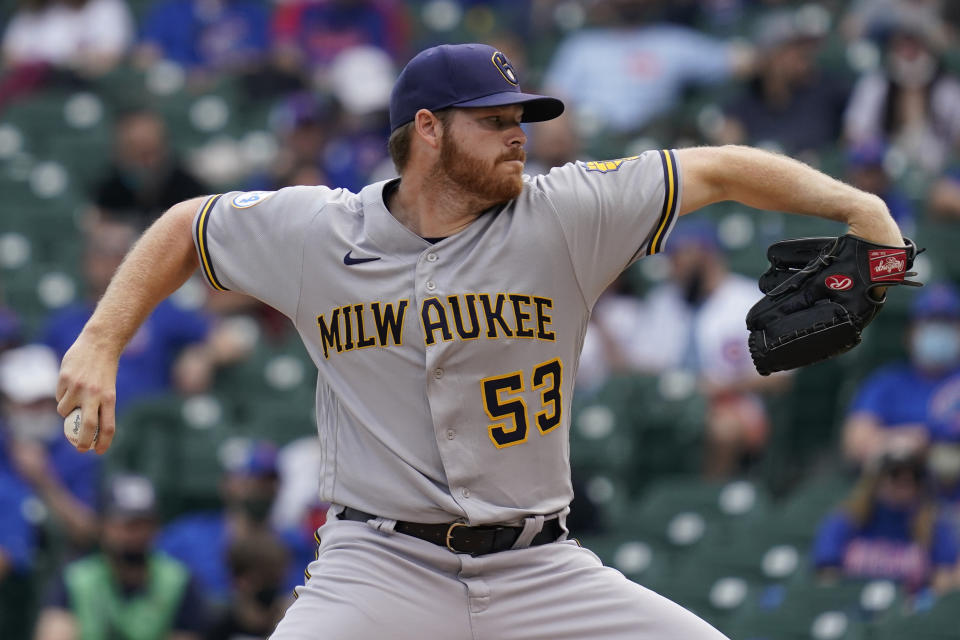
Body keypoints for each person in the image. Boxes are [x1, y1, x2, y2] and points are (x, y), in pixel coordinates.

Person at [56, 42, 908, 639]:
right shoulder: (320, 230)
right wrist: (101, 340)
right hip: (377, 568)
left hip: (540, 567)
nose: (518, 133)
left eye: (520, 116)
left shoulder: (566, 212)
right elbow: (184, 225)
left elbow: (718, 169)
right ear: (428, 129)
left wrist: (858, 210)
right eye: (494, 118)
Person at [33, 474, 209, 640]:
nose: (137, 534)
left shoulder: (177, 580)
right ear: (103, 527)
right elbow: (53, 632)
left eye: (145, 524)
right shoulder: (76, 579)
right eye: (127, 525)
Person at [155, 441, 314, 604]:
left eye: (270, 479)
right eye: (252, 478)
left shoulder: (297, 545)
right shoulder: (187, 537)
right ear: (227, 483)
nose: (262, 487)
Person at [842, 282, 960, 467]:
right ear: (909, 334)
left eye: (947, 323)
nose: (938, 331)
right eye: (929, 323)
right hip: (900, 486)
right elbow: (855, 443)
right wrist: (906, 440)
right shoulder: (887, 382)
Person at [812, 447, 958, 594]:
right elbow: (826, 576)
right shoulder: (847, 519)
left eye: (912, 478)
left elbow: (943, 581)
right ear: (876, 480)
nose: (902, 483)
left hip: (906, 611)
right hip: (848, 606)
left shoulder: (933, 526)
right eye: (894, 475)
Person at [0, 344, 99, 551]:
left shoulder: (78, 451)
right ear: (7, 403)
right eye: (31, 403)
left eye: (48, 401)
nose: (42, 411)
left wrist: (43, 480)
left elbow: (88, 533)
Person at [92, 110, 209, 227]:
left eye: (149, 152)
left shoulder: (191, 190)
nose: (144, 163)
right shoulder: (106, 193)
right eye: (133, 151)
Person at [205, 530, 292, 640]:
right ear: (241, 581)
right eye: (264, 579)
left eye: (276, 580)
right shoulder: (216, 623)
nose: (271, 590)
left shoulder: (290, 626)